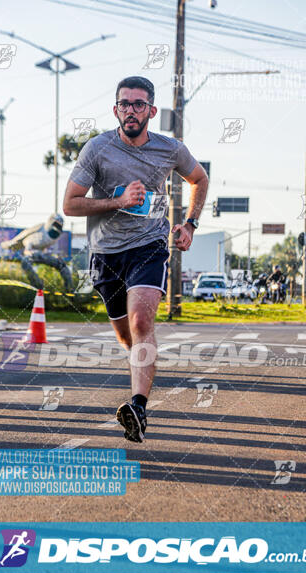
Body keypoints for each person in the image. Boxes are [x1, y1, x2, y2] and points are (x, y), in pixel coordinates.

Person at [64, 76, 208, 443]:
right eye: (124, 104)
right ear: (116, 109)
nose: (131, 110)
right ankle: (145, 363)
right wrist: (118, 200)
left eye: (138, 104)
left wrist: (190, 224)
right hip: (106, 253)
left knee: (142, 321)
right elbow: (70, 204)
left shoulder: (170, 148)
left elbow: (199, 178)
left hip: (150, 245)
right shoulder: (97, 149)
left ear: (151, 111)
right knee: (129, 336)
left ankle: (138, 408)